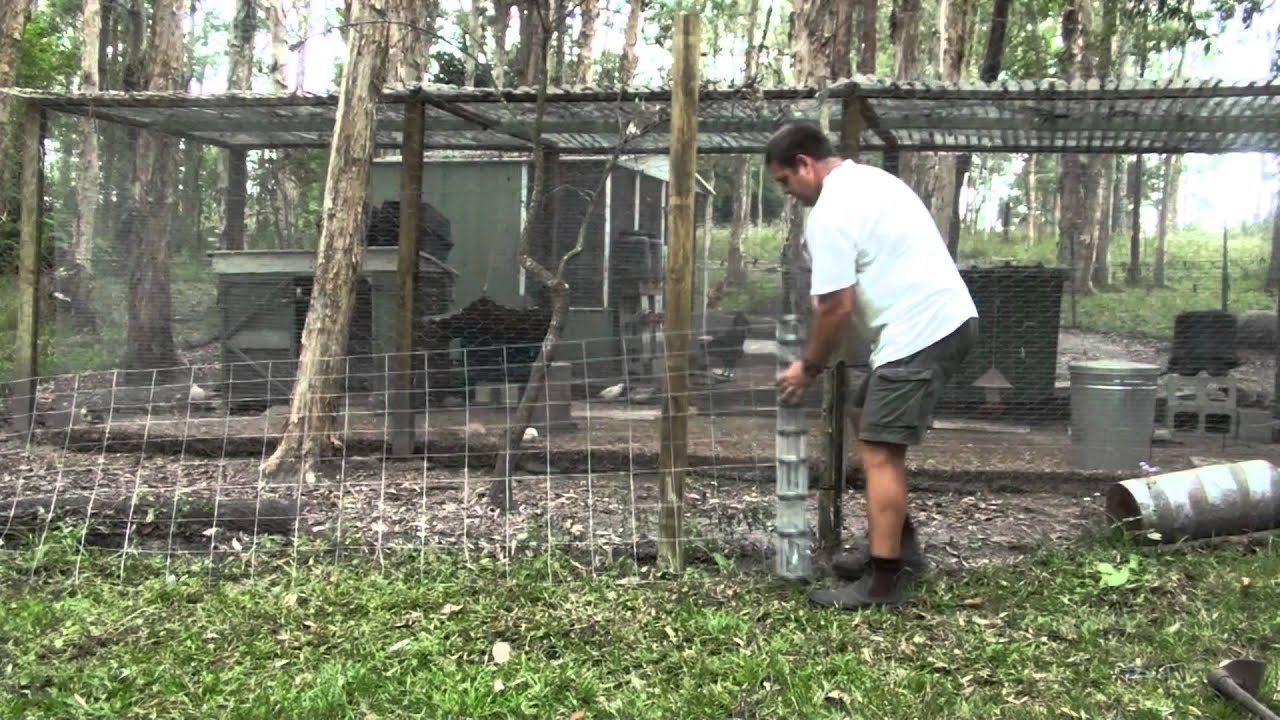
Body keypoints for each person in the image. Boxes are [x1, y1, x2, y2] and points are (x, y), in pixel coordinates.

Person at [770, 121, 979, 611]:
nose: (789, 193)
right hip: (938, 322)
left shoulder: (831, 212)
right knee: (865, 416)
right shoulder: (871, 182)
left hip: (923, 329)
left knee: (881, 452)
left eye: (785, 181)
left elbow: (835, 308)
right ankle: (897, 546)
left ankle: (884, 581)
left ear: (805, 163)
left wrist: (809, 366)